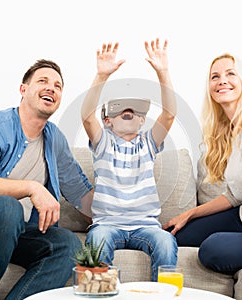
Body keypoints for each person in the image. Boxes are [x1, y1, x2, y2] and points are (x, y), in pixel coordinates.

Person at [0, 59, 94, 300]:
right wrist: (31, 188)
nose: (51, 88)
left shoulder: (54, 140)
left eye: (58, 86)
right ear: (23, 89)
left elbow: (82, 196)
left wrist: (128, 216)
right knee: (6, 207)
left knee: (68, 244)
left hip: (20, 231)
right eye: (43, 81)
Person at [163, 53, 242, 274]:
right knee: (179, 235)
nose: (222, 80)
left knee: (213, 250)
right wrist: (189, 214)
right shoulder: (231, 130)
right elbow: (235, 195)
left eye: (230, 74)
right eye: (215, 76)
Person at [81, 38, 178, 281]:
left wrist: (163, 72)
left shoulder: (148, 143)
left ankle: (163, 297)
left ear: (143, 121)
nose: (129, 111)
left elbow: (169, 115)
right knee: (98, 241)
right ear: (108, 121)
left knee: (166, 242)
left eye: (135, 110)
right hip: (107, 224)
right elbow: (86, 115)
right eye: (121, 109)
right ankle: (99, 295)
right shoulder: (103, 143)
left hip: (146, 226)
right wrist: (101, 76)